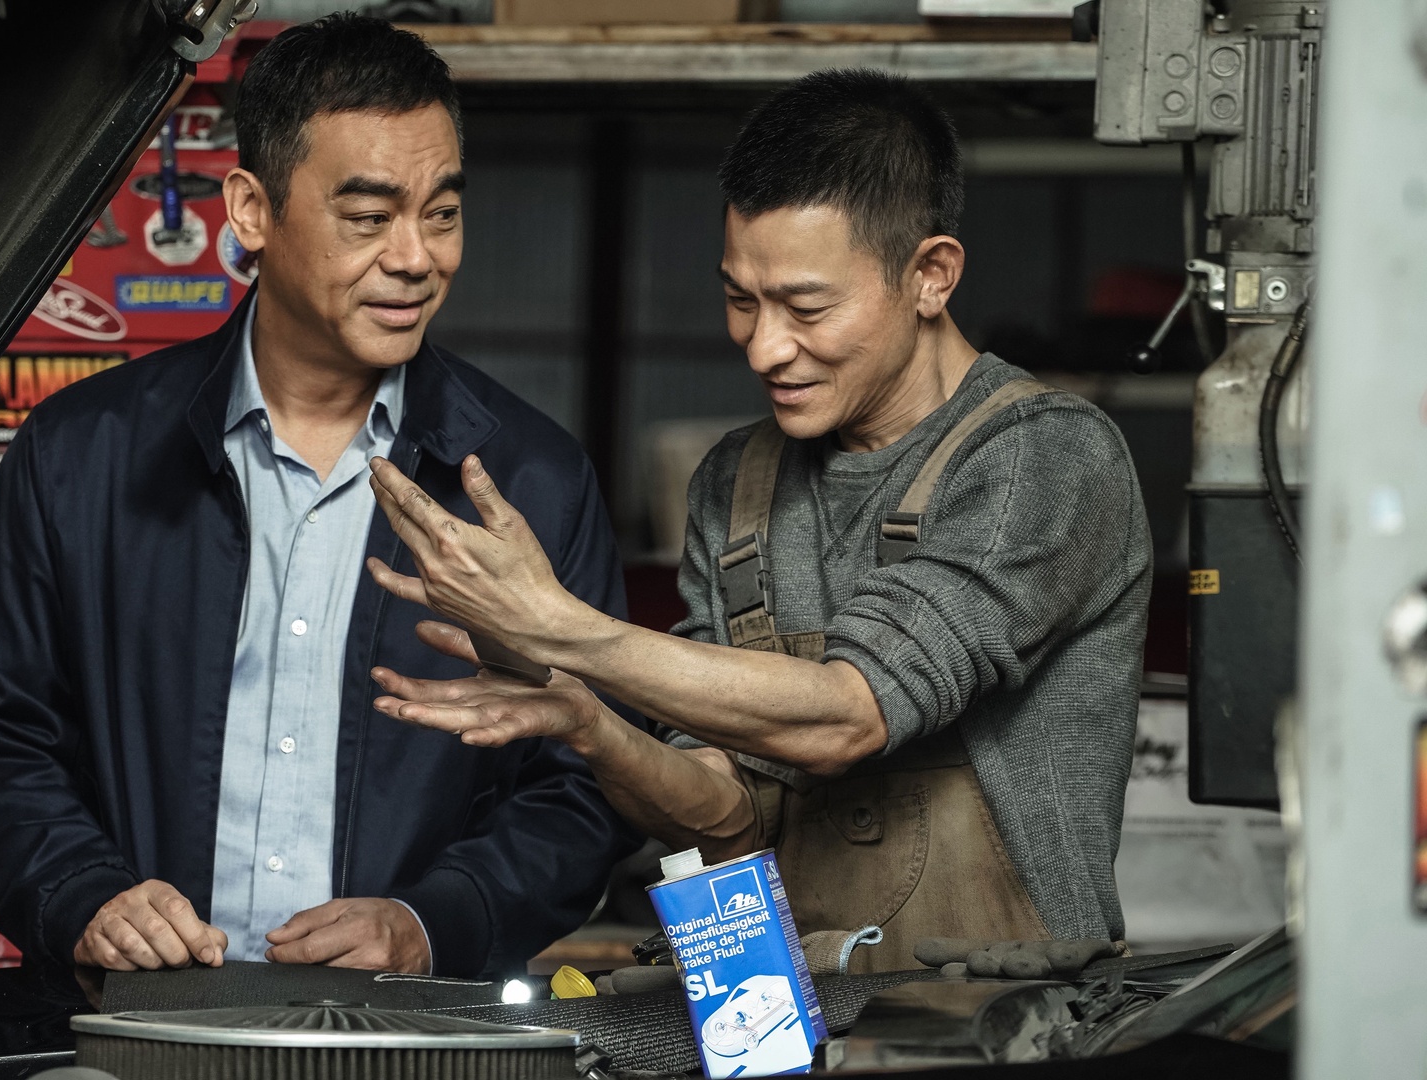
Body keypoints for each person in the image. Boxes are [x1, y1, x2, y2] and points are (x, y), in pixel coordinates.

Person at [363, 69, 1152, 974]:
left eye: (807, 307)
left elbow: (849, 716)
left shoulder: (1040, 457)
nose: (765, 347)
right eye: (742, 300)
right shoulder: (737, 483)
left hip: (995, 1021)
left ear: (930, 276)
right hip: (780, 1014)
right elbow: (723, 819)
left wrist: (559, 627)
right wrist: (591, 726)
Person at [0, 14, 639, 982]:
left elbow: (583, 782)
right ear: (253, 210)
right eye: (368, 217)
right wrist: (82, 891)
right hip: (134, 1019)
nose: (417, 257)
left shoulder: (530, 482)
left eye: (441, 213)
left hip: (404, 1034)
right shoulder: (81, 454)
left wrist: (433, 922)